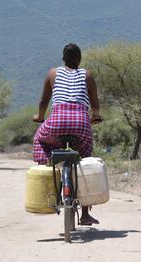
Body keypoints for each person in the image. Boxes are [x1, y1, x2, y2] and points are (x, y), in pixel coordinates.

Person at [32, 43, 102, 225]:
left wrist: (39, 116)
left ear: (63, 59)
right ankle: (85, 215)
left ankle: (48, 169)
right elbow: (95, 103)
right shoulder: (87, 75)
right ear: (80, 59)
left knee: (40, 138)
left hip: (57, 123)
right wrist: (95, 116)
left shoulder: (53, 73)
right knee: (85, 160)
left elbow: (43, 101)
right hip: (81, 123)